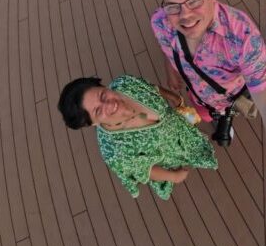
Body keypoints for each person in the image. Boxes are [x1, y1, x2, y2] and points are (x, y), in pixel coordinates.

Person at [151, 0, 266, 227]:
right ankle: (217, 118)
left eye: (194, 1)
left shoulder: (243, 38)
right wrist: (172, 71)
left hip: (228, 95)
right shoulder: (161, 22)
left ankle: (225, 118)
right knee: (204, 114)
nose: (185, 15)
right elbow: (168, 47)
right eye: (173, 6)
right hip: (196, 94)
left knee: (222, 113)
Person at [57, 75, 214, 200]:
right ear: (92, 123)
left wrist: (174, 98)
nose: (110, 105)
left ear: (103, 86)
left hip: (179, 120)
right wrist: (174, 177)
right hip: (174, 151)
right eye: (98, 111)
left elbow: (152, 88)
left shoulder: (125, 83)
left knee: (196, 123)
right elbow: (144, 170)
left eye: (103, 95)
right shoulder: (115, 152)